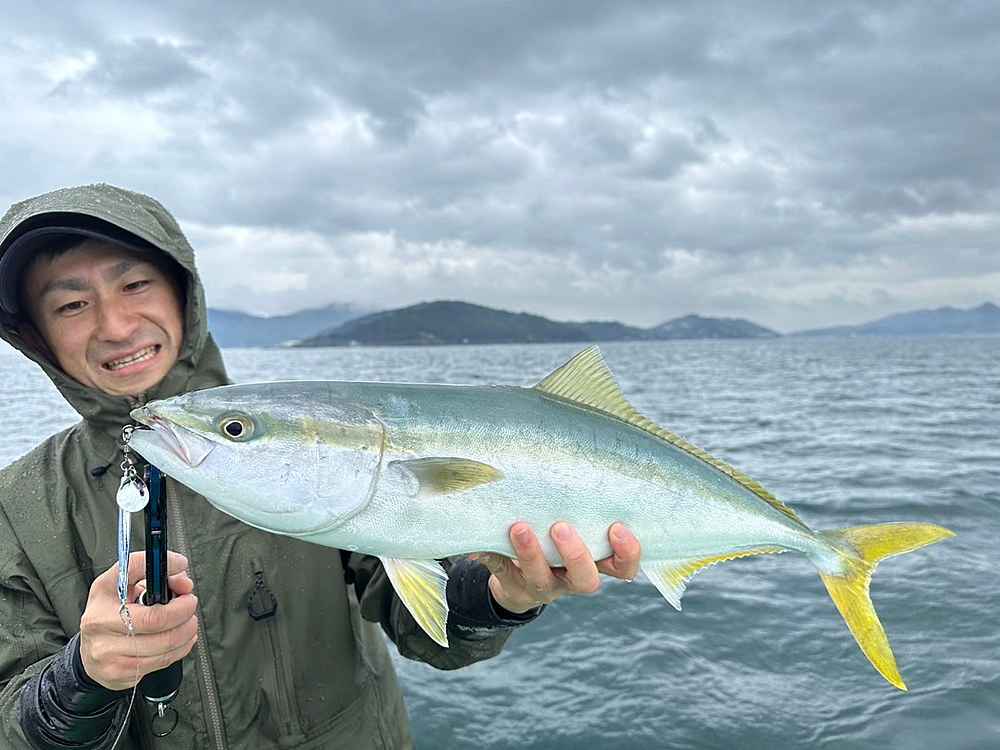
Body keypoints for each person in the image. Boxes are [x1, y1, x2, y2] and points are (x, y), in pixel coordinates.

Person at [0, 184, 641, 750]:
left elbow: (429, 628)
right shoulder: (17, 504)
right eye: (71, 305)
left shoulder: (313, 444)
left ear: (182, 293)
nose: (115, 325)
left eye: (135, 285)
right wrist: (80, 679)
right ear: (35, 336)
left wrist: (501, 597)